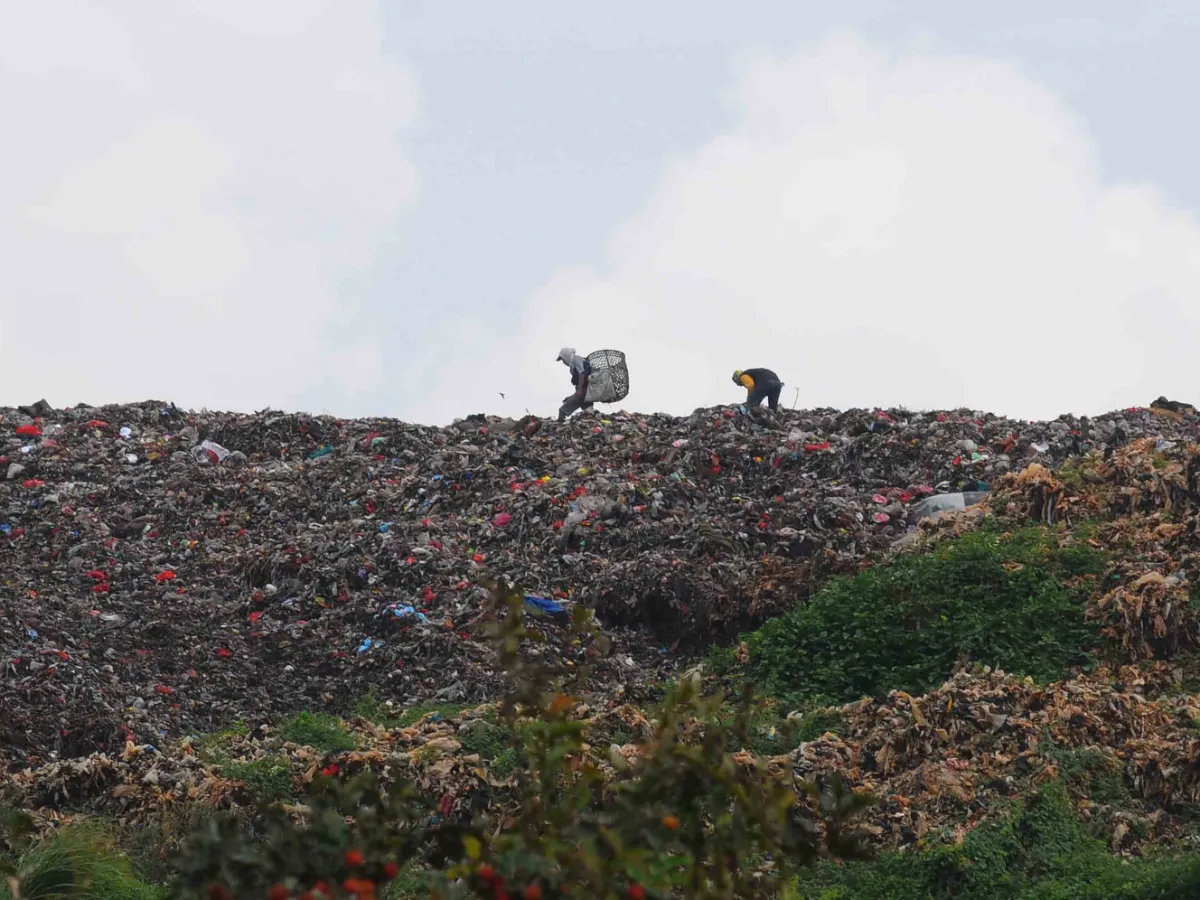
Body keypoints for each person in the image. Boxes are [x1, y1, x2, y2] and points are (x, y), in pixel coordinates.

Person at [556, 348, 594, 421]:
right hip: (586, 394)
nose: (563, 362)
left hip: (584, 391)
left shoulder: (576, 359)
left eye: (563, 359)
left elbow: (582, 374)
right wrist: (572, 396)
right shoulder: (573, 365)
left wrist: (579, 391)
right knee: (588, 414)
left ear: (566, 356)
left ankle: (559, 424)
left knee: (562, 411)